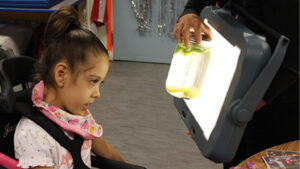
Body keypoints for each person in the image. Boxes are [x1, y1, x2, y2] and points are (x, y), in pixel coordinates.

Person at [174, 0, 299, 168]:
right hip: (238, 85)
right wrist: (189, 14)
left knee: (265, 162)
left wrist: (224, 121)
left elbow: (292, 63)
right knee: (235, 162)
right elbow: (197, 4)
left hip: (281, 102)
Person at [13, 6, 124, 168]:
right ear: (61, 75)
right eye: (93, 81)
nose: (98, 93)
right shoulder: (33, 134)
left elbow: (106, 152)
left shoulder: (80, 116)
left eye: (101, 83)